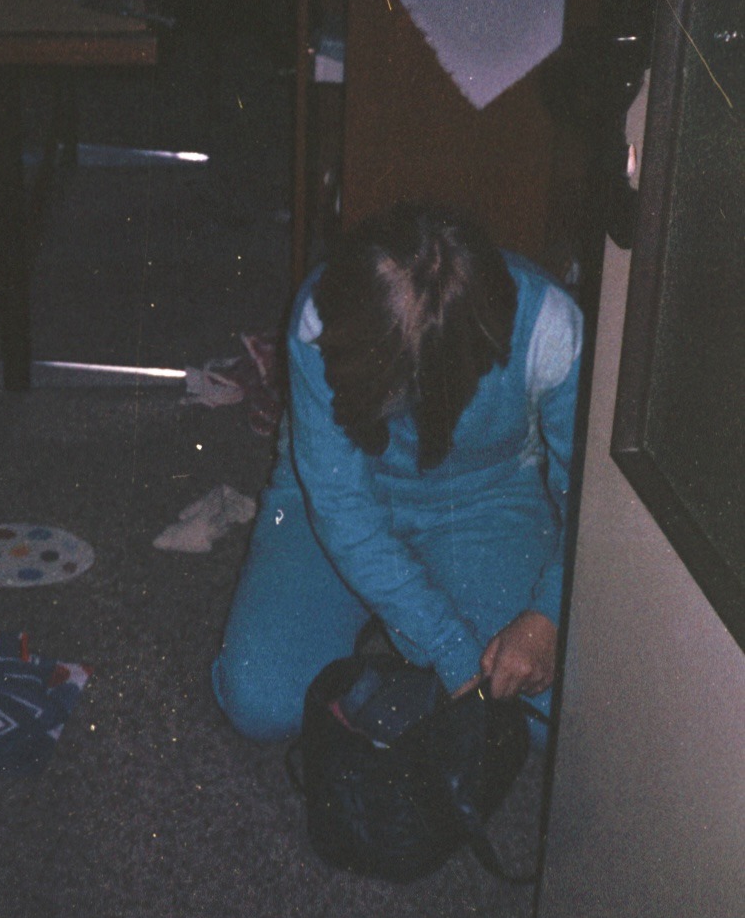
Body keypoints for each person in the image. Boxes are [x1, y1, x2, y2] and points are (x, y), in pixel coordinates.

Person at [211, 203, 582, 748]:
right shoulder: (325, 311)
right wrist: (451, 650)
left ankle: (400, 621)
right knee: (261, 702)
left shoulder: (551, 330)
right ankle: (386, 623)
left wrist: (548, 616)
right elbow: (342, 510)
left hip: (484, 498)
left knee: (553, 713)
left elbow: (590, 500)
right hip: (331, 500)